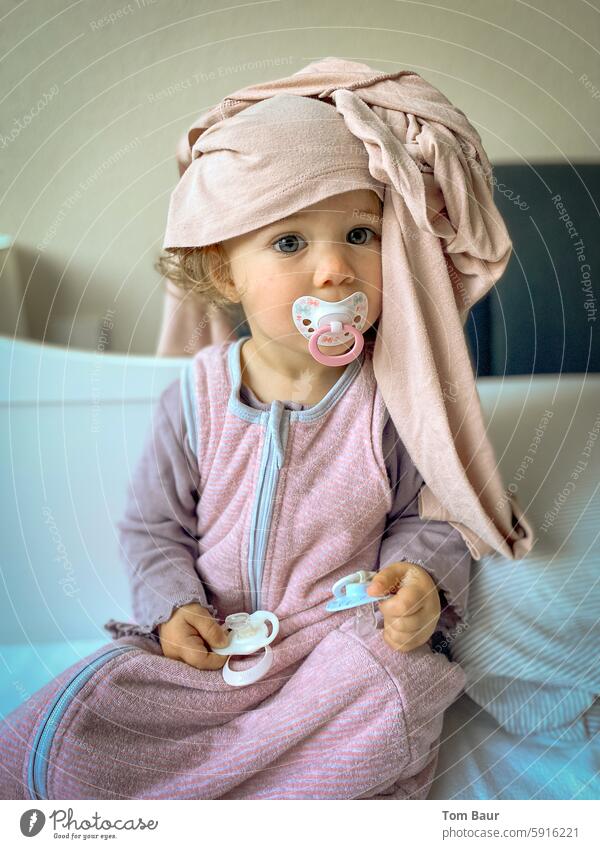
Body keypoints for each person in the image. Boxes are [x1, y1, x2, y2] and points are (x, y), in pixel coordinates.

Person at [0, 57, 532, 801]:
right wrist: (174, 609)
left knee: (396, 686)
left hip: (330, 645)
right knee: (71, 734)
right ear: (223, 271)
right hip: (218, 646)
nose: (333, 271)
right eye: (289, 243)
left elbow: (430, 514)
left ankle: (289, 790)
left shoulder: (392, 396)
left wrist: (419, 579)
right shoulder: (197, 396)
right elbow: (155, 529)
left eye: (358, 233)